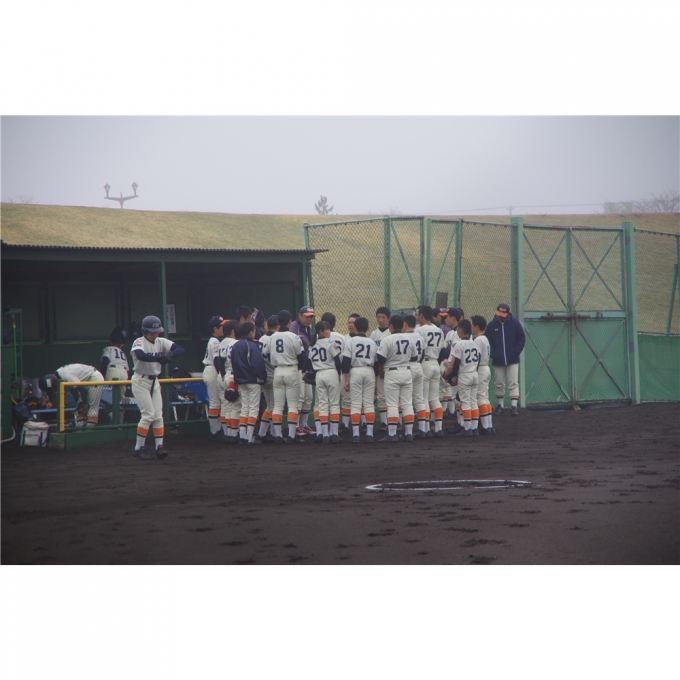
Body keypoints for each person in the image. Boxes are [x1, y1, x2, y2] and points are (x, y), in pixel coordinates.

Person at [129, 315, 185, 459]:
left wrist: (170, 354)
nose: (155, 333)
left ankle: (159, 446)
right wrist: (160, 358)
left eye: (157, 330)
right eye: (152, 331)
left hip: (154, 381)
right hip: (141, 380)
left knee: (158, 416)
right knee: (148, 415)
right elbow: (140, 355)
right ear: (145, 330)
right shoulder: (139, 341)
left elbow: (180, 349)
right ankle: (138, 448)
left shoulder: (161, 341)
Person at [264, 310, 306, 444]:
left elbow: (266, 355)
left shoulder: (271, 337)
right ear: (290, 322)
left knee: (277, 406)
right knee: (293, 405)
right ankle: (292, 436)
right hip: (291, 370)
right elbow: (301, 356)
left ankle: (278, 435)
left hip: (277, 371)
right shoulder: (294, 337)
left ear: (277, 322)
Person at [376, 314, 419, 443]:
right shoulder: (409, 339)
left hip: (392, 373)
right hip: (406, 371)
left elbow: (380, 359)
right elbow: (415, 357)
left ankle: (392, 433)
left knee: (392, 404)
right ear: (403, 325)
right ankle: (409, 433)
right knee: (407, 404)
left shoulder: (387, 339)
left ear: (390, 326)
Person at [342, 316, 378, 444]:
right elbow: (377, 364)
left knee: (356, 404)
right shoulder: (373, 342)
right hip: (369, 371)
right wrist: (376, 382)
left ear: (355, 327)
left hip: (355, 371)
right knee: (368, 404)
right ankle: (369, 434)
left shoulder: (350, 341)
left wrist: (346, 379)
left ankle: (356, 434)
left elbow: (346, 362)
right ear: (368, 328)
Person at [484, 303, 525, 416]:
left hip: (513, 359)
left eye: (503, 314)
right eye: (499, 314)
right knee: (499, 383)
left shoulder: (515, 323)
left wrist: (515, 352)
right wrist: (493, 353)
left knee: (513, 382)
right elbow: (487, 341)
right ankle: (500, 405)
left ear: (507, 314)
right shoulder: (492, 325)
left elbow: (521, 338)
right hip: (498, 359)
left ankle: (514, 406)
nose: (500, 316)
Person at [230, 321, 267, 445]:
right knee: (253, 409)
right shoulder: (251, 345)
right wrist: (262, 378)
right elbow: (257, 364)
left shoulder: (235, 345)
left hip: (241, 381)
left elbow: (233, 364)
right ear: (251, 332)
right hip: (252, 381)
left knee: (244, 408)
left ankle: (243, 436)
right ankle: (250, 437)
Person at [39, 364, 106, 428]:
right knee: (79, 408)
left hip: (94, 378)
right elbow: (75, 391)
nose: (53, 390)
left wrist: (85, 404)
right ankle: (79, 430)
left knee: (91, 407)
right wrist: (80, 403)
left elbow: (80, 388)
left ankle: (90, 430)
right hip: (84, 382)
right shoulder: (59, 377)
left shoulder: (66, 375)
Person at [444, 318, 480, 436]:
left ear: (460, 330)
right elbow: (479, 360)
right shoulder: (475, 343)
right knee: (473, 401)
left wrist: (453, 375)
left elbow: (456, 363)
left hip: (465, 374)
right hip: (474, 373)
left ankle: (467, 428)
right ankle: (474, 428)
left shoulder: (459, 344)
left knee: (465, 402)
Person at [310, 320, 343, 444]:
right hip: (331, 372)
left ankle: (325, 435)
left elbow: (309, 363)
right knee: (334, 403)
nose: (329, 332)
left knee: (322, 404)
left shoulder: (312, 344)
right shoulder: (330, 342)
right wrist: (339, 374)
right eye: (327, 329)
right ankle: (334, 434)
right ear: (320, 331)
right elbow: (337, 361)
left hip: (319, 374)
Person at [414, 305, 445, 437]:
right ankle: (438, 429)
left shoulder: (419, 330)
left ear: (421, 316)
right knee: (435, 398)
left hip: (425, 364)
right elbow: (443, 350)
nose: (416, 317)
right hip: (435, 363)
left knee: (424, 399)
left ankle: (425, 429)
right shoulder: (439, 330)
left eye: (417, 315)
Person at [289, 305, 317, 436]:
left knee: (308, 398)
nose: (309, 319)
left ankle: (304, 424)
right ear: (300, 315)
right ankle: (295, 426)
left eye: (311, 317)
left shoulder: (308, 329)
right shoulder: (294, 328)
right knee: (299, 398)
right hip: (297, 368)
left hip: (306, 368)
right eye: (306, 317)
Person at [403, 314, 429, 439]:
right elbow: (422, 354)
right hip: (419, 366)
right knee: (419, 399)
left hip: (408, 367)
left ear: (405, 324)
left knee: (406, 400)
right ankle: (422, 429)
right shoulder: (420, 336)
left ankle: (408, 431)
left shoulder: (404, 336)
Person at [203, 315, 227, 442]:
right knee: (214, 402)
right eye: (221, 326)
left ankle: (217, 430)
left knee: (216, 402)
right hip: (212, 369)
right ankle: (214, 432)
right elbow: (217, 361)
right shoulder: (215, 342)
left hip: (210, 369)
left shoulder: (214, 341)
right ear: (215, 329)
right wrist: (222, 375)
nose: (223, 328)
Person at [255, 315, 279, 442]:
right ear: (278, 326)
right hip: (274, 374)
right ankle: (275, 434)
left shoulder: (262, 338)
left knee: (270, 406)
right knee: (275, 406)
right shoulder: (275, 338)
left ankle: (262, 433)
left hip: (264, 375)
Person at [216, 320, 240, 443]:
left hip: (222, 376)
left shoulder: (221, 342)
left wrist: (222, 374)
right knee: (235, 406)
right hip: (231, 375)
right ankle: (233, 433)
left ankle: (227, 432)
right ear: (233, 331)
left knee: (226, 406)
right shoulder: (234, 342)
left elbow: (218, 360)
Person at [471, 315, 494, 434]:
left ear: (477, 326)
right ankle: (489, 425)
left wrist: (473, 370)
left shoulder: (478, 340)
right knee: (485, 397)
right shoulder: (485, 338)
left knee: (480, 397)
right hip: (486, 368)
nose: (471, 327)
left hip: (480, 369)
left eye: (472, 325)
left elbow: (477, 357)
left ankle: (485, 427)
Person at [369, 306, 391, 431]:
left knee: (393, 396)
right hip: (378, 367)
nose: (381, 320)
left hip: (390, 366)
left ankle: (396, 421)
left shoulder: (391, 333)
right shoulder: (374, 334)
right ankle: (384, 422)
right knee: (381, 395)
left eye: (383, 317)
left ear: (388, 318)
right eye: (378, 317)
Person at [340, 313, 361, 433]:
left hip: (358, 370)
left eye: (353, 323)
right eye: (349, 322)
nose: (351, 325)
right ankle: (345, 424)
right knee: (346, 398)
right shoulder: (344, 338)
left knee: (361, 398)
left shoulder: (365, 338)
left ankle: (364, 423)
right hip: (347, 370)